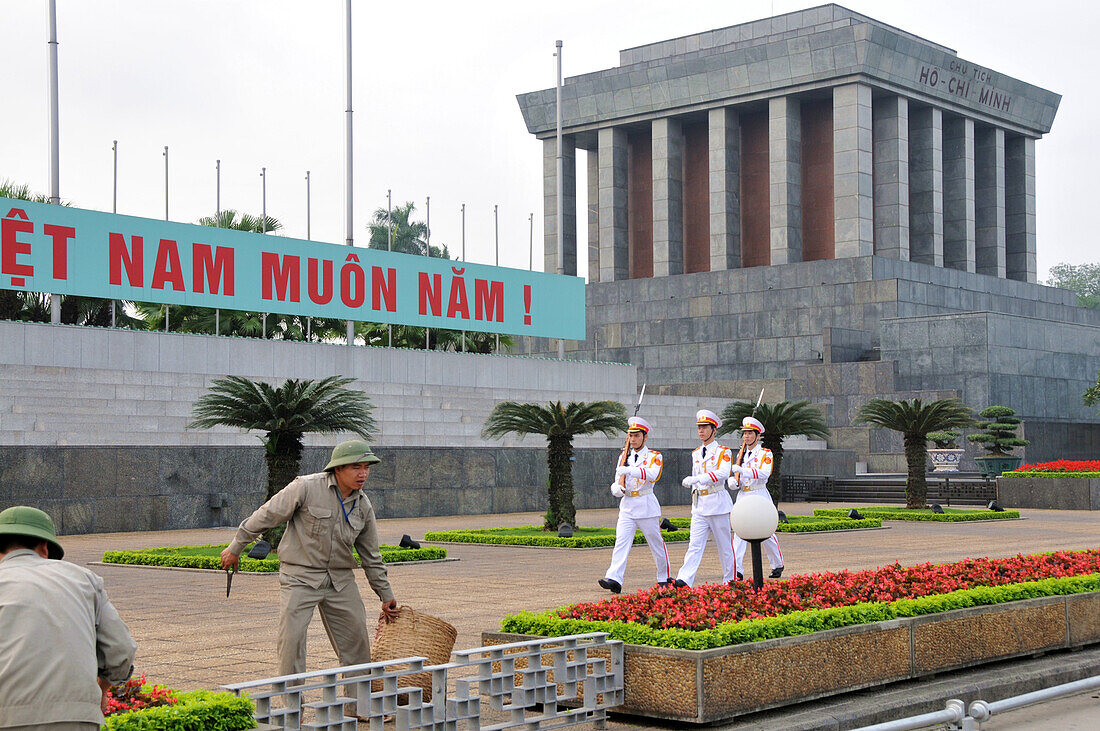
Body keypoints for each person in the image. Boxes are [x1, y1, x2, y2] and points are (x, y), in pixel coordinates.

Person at [221, 439, 400, 676]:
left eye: (367, 467)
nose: (363, 474)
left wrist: (385, 595)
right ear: (338, 468)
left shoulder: (363, 505)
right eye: (357, 467)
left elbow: (371, 556)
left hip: (340, 580)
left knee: (357, 643)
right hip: (300, 577)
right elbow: (266, 515)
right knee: (291, 642)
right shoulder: (305, 487)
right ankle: (294, 710)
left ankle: (359, 709)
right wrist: (236, 547)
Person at [0, 506, 137, 731]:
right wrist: (101, 689)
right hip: (77, 717)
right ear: (45, 548)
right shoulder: (84, 578)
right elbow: (120, 650)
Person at [598, 416, 671, 593]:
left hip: (646, 505)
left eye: (637, 435)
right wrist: (617, 488)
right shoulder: (624, 456)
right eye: (630, 436)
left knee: (656, 544)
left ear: (645, 437)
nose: (633, 439)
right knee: (621, 542)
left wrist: (629, 469)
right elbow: (618, 480)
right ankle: (615, 578)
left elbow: (653, 475)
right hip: (628, 506)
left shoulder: (654, 456)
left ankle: (664, 577)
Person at [673, 410, 737, 587]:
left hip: (717, 503)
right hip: (700, 505)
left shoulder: (723, 451)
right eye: (699, 428)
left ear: (713, 430)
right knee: (694, 544)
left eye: (704, 427)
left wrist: (698, 479)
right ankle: (684, 579)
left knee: (724, 546)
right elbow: (695, 478)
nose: (701, 431)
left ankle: (730, 579)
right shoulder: (696, 453)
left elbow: (724, 473)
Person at [728, 416, 785, 579]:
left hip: (759, 493)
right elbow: (738, 476)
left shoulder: (765, 453)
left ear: (757, 435)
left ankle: (777, 564)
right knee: (739, 530)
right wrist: (734, 482)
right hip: (743, 495)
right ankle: (737, 569)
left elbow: (764, 473)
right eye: (744, 433)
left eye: (750, 433)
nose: (746, 436)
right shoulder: (742, 454)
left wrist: (742, 470)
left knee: (766, 530)